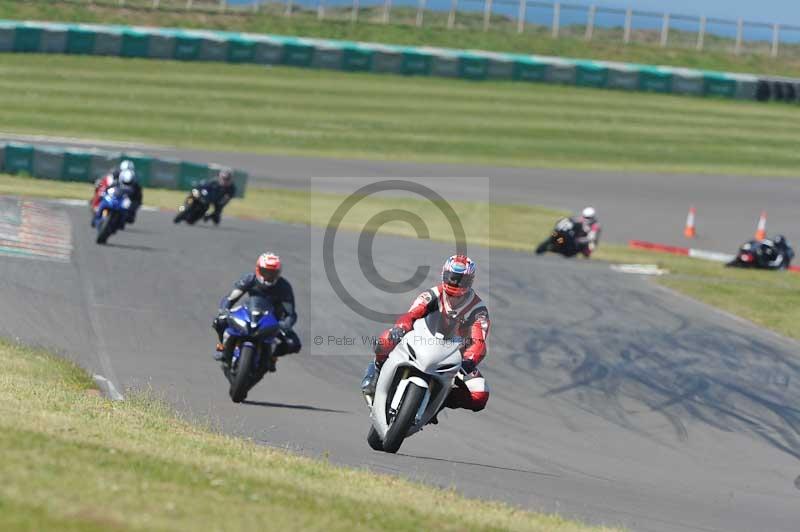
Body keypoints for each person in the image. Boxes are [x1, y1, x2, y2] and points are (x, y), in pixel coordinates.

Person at [361, 255, 490, 417]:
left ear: (470, 281)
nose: (454, 282)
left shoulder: (478, 310)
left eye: (460, 280)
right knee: (386, 339)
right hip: (422, 341)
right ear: (444, 275)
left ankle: (439, 401)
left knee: (480, 394)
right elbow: (412, 314)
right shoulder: (433, 294)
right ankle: (377, 374)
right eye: (451, 277)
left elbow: (479, 341)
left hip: (455, 357)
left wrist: (469, 361)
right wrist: (401, 328)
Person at [212, 252, 300, 372]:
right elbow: (230, 298)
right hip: (250, 312)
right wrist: (224, 311)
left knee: (294, 343)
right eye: (266, 271)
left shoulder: (284, 287)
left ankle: (272, 357)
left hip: (273, 319)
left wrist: (284, 325)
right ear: (258, 269)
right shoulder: (250, 279)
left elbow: (290, 313)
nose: (269, 275)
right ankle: (223, 347)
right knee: (219, 321)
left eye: (273, 273)